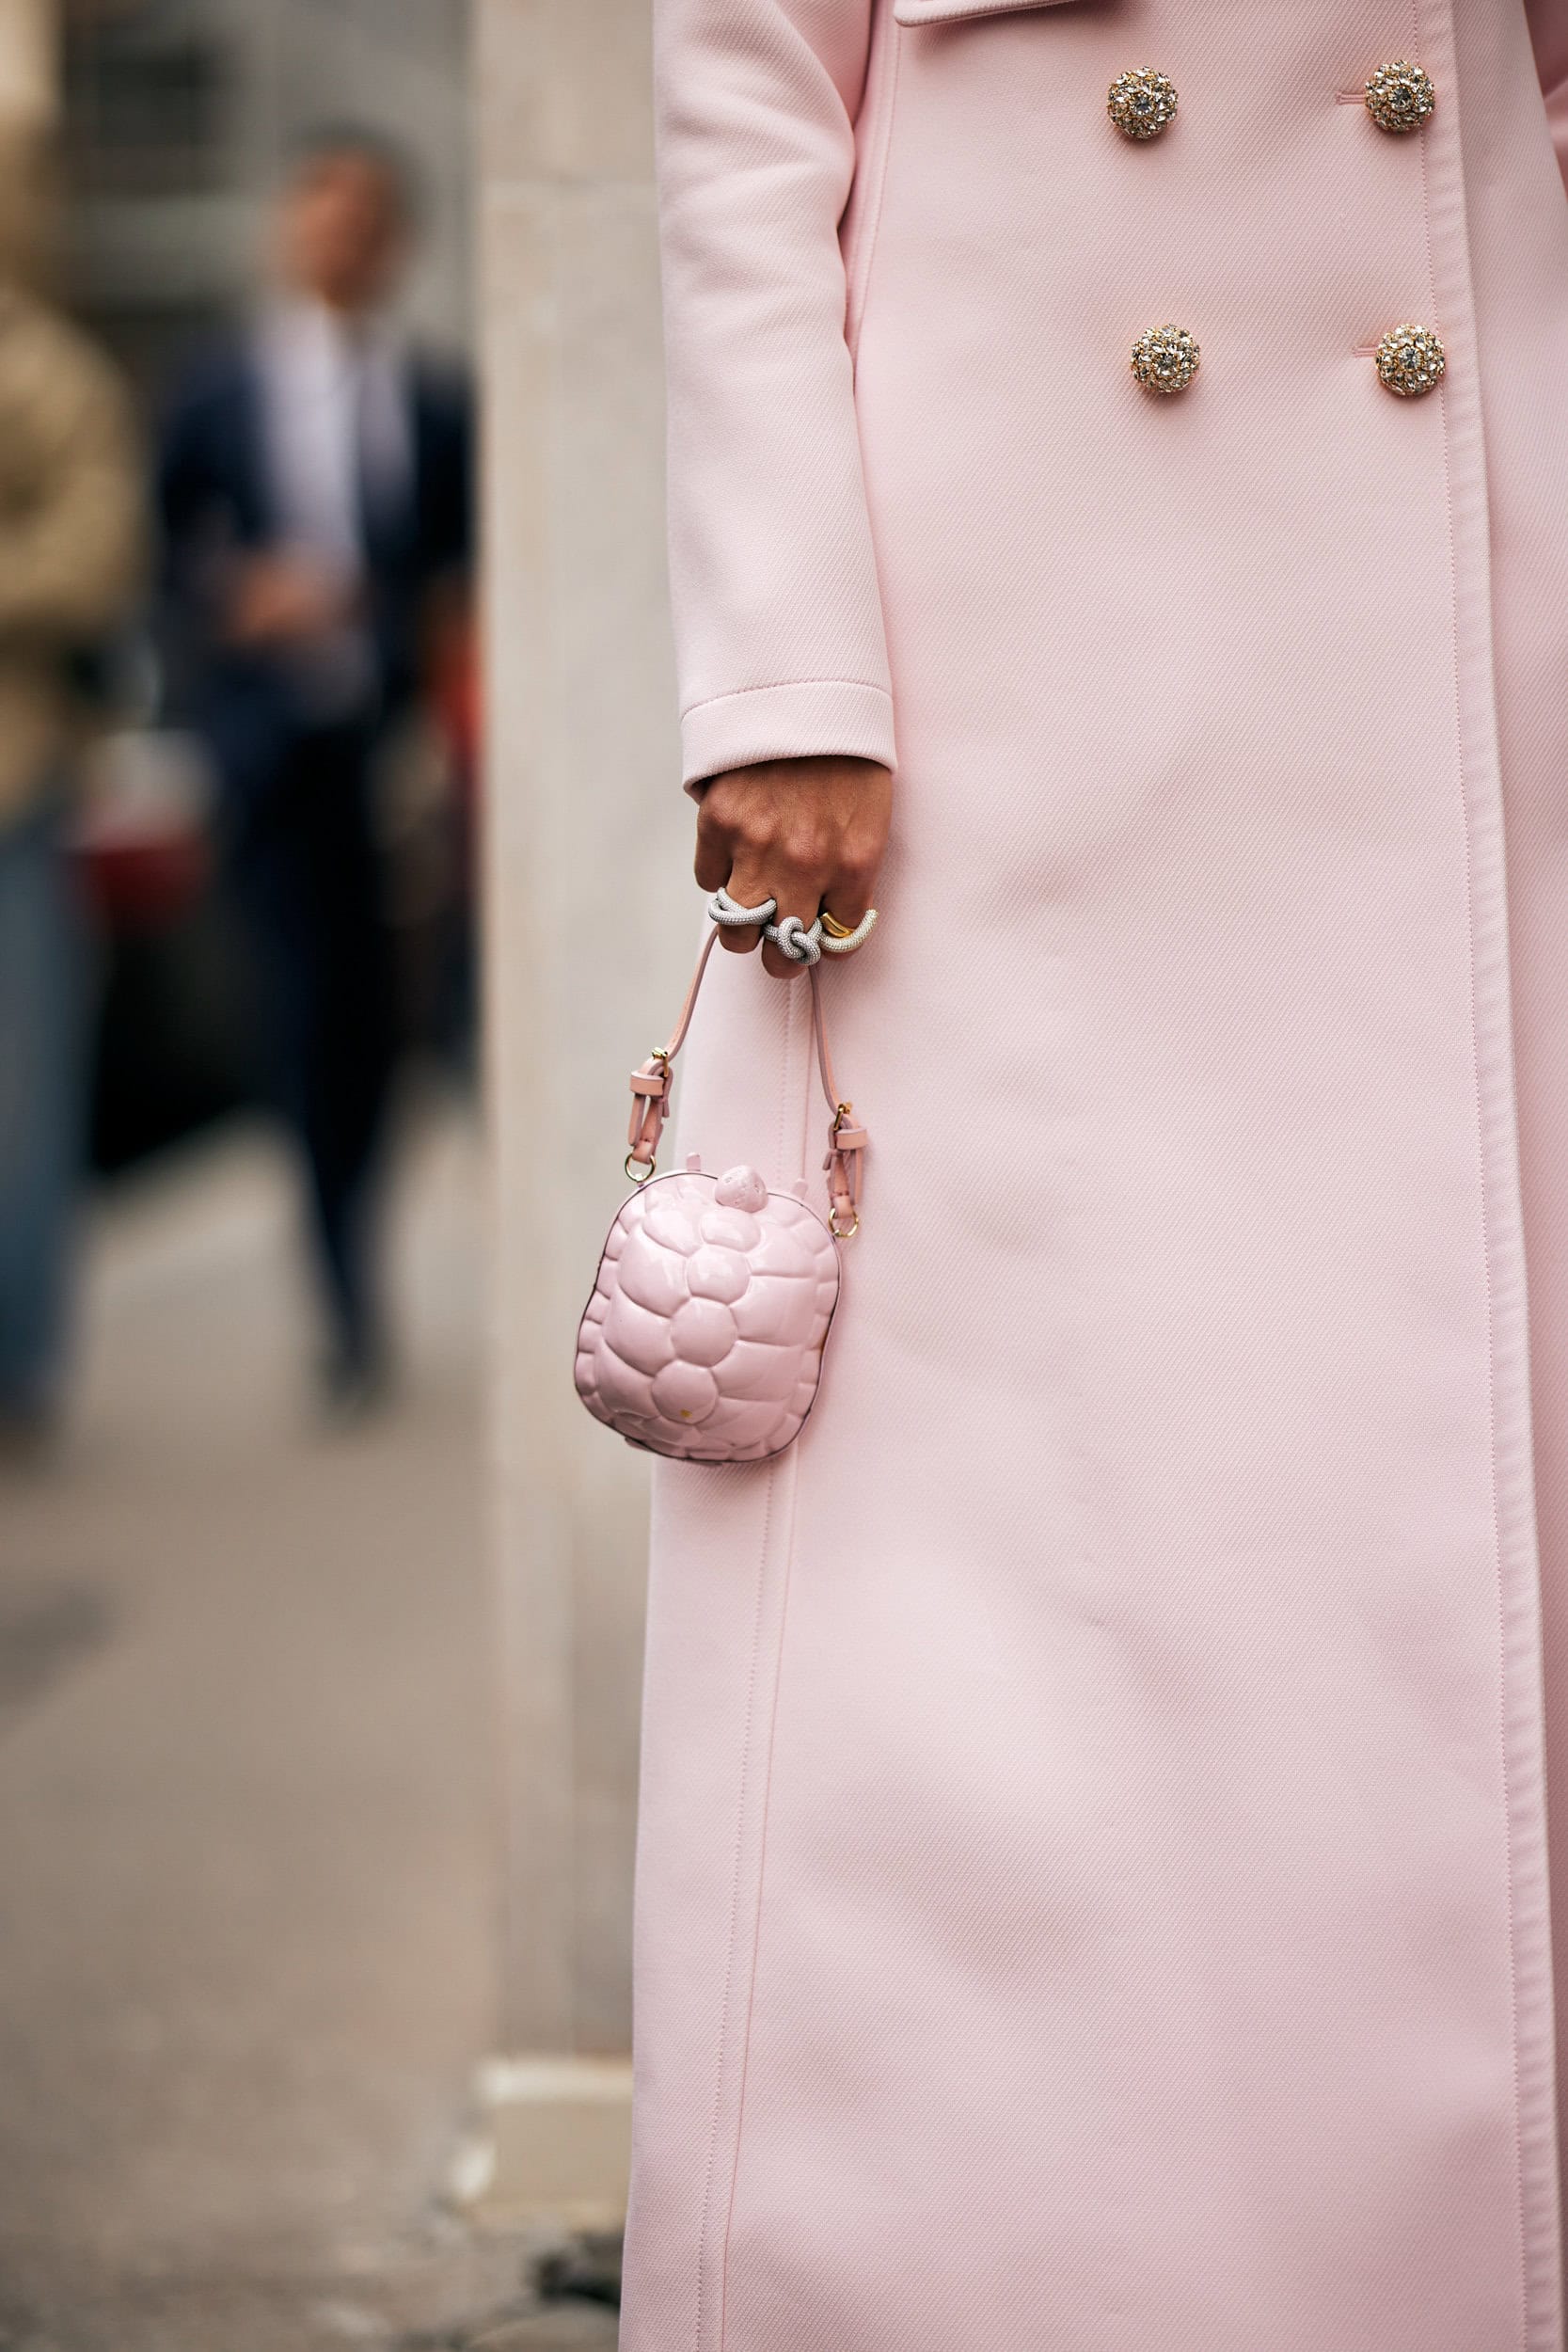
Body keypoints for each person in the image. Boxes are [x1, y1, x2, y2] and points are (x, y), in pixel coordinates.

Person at [619, 6, 1568, 2347]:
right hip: (1005, 660)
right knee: (993, 1544)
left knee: (1400, 1537)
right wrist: (788, 670)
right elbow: (746, 102)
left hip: (1474, 574)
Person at [157, 128, 471, 1412]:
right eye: (322, 210)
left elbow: (458, 572)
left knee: (382, 1031)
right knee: (295, 1024)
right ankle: (338, 1287)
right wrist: (236, 600)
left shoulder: (434, 404)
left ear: (396, 245)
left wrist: (368, 610)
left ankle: (363, 1248)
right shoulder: (215, 390)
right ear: (288, 225)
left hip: (389, 766)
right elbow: (163, 562)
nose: (341, 236)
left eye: (367, 218)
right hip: (268, 766)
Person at [0, 219, 142, 1450]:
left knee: (21, 1093)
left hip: (16, 781)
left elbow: (95, 554)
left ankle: (20, 1370)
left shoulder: (46, 373)